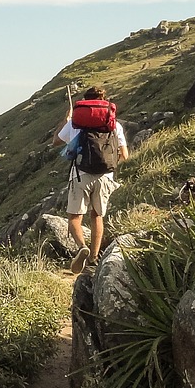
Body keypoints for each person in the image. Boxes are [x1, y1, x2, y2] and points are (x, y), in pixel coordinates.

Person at [52, 86, 129, 274]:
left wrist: (66, 119)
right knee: (97, 216)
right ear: (104, 100)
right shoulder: (113, 124)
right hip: (105, 176)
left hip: (80, 174)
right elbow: (125, 155)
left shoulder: (76, 123)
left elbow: (55, 141)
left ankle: (81, 248)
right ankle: (94, 259)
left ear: (85, 101)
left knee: (74, 218)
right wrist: (109, 166)